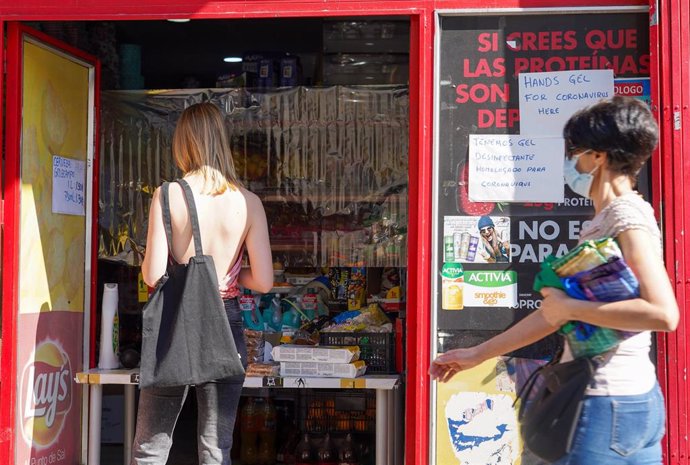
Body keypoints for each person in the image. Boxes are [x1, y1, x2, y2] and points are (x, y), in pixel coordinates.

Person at [430, 96, 679, 465]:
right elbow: (552, 315)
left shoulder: (625, 217)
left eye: (573, 151)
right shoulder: (609, 219)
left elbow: (662, 313)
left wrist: (570, 306)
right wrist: (477, 354)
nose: (569, 162)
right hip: (630, 400)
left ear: (598, 156)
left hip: (603, 402)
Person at [132, 102, 273, 465]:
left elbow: (151, 275)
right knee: (215, 446)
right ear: (220, 141)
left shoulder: (169, 194)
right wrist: (229, 273)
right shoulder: (249, 202)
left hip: (175, 323)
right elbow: (264, 281)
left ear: (184, 142)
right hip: (225, 323)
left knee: (151, 445)